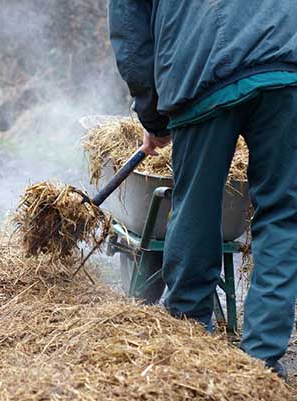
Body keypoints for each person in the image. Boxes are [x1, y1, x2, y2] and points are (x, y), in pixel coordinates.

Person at [108, 0, 297, 379]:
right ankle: (260, 362)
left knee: (195, 205)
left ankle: (189, 338)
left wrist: (153, 117)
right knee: (282, 215)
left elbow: (130, 35)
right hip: (284, 65)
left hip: (200, 70)